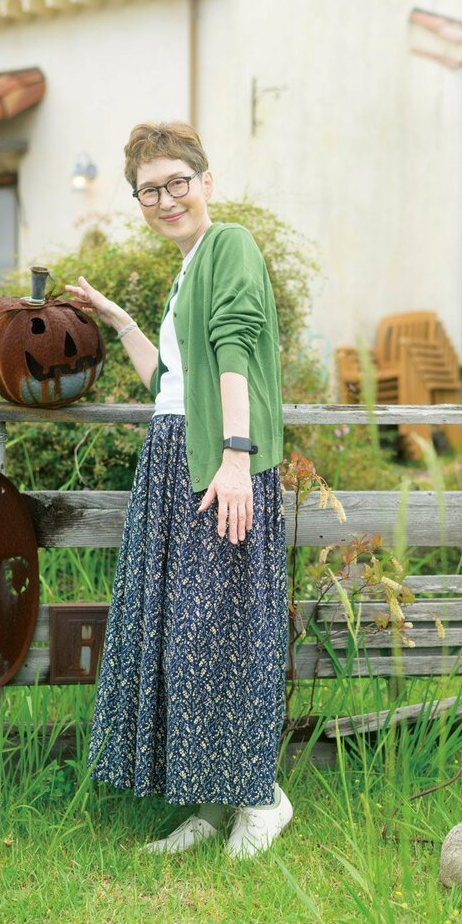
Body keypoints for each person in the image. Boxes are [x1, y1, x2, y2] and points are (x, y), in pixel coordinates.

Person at [65, 122, 292, 857]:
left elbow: (234, 348)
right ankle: (210, 802)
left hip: (217, 464)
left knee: (221, 635)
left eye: (177, 183)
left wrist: (236, 457)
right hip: (173, 459)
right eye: (149, 190)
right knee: (185, 638)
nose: (165, 200)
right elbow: (168, 382)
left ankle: (262, 798)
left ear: (206, 181)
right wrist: (121, 321)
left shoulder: (228, 246)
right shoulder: (189, 268)